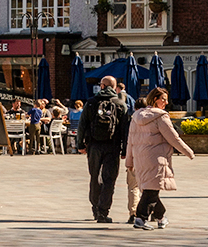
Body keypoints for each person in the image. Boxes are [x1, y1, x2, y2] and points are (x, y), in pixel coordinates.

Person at [127, 87, 194, 230]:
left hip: (140, 159)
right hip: (156, 158)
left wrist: (129, 161)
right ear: (154, 99)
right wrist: (188, 152)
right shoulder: (160, 117)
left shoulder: (136, 116)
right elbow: (173, 138)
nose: (166, 102)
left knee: (151, 189)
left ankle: (161, 217)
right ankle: (140, 218)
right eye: (163, 99)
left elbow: (130, 141)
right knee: (151, 191)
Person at [79, 76, 130, 223]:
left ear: (102, 86)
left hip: (94, 145)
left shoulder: (91, 103)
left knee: (94, 177)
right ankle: (103, 211)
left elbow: (82, 125)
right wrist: (125, 149)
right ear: (115, 88)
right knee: (109, 179)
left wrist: (81, 145)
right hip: (112, 146)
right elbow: (125, 129)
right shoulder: (121, 104)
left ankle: (95, 208)